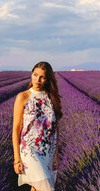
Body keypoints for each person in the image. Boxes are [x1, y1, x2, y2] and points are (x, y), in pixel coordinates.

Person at [12, 61, 62, 191]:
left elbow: (55, 130)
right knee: (46, 188)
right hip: (29, 150)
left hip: (47, 150)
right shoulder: (23, 97)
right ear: (31, 74)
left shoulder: (52, 98)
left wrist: (55, 155)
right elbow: (16, 129)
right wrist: (17, 159)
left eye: (42, 77)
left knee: (36, 188)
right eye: (35, 75)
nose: (37, 79)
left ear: (47, 79)